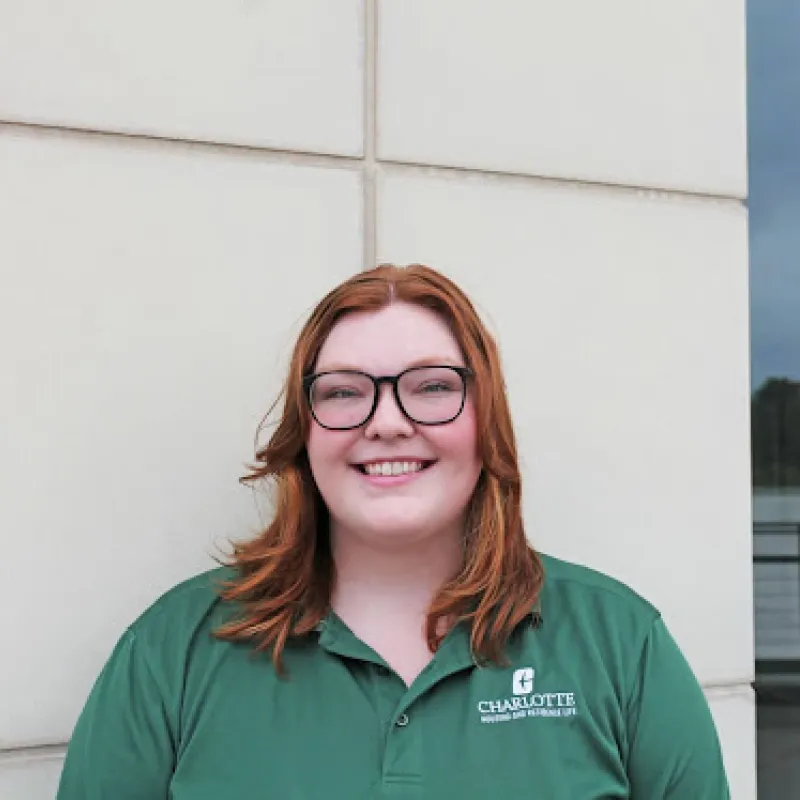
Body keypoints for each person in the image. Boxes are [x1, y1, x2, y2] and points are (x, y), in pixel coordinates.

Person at [57, 264, 730, 799]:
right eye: (344, 392)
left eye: (432, 387)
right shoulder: (174, 650)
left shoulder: (620, 645)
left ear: (486, 419)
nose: (386, 422)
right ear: (306, 430)